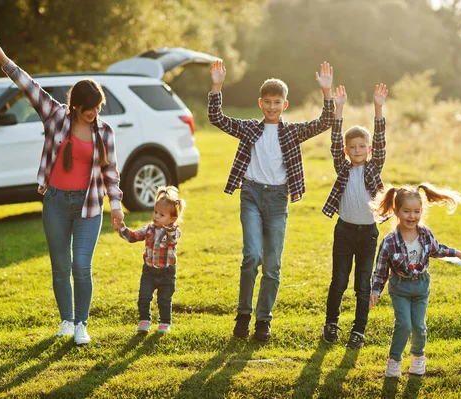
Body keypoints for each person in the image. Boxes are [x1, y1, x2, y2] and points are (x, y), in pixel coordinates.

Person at [0, 34, 124, 345]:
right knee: (60, 265)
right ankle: (66, 320)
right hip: (57, 202)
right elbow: (29, 87)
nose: (95, 112)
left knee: (80, 265)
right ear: (77, 104)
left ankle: (82, 325)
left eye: (98, 107)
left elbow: (110, 172)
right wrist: (5, 60)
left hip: (89, 206)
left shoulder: (106, 132)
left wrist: (116, 207)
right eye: (90, 107)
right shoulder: (57, 115)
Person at [208, 60, 335, 341]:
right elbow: (218, 118)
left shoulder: (291, 132)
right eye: (267, 102)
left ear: (285, 105)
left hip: (278, 199)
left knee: (273, 263)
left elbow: (325, 122)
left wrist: (326, 92)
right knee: (251, 256)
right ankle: (243, 315)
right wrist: (217, 85)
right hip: (251, 194)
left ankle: (263, 321)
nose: (272, 107)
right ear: (260, 103)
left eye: (277, 102)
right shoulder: (250, 128)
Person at [369, 183, 461, 377]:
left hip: (421, 286)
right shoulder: (390, 241)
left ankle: (418, 358)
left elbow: (437, 249)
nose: (412, 216)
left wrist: (459, 254)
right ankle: (394, 360)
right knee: (404, 324)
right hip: (399, 287)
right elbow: (381, 270)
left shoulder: (424, 233)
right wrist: (375, 291)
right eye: (407, 211)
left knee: (418, 325)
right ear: (397, 211)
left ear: (421, 211)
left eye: (416, 211)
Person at [321, 83, 388, 349]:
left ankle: (358, 330)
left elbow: (381, 141)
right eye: (353, 147)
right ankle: (331, 324)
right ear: (347, 151)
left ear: (369, 149)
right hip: (345, 231)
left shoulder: (374, 168)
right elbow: (335, 140)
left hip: (368, 234)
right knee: (339, 280)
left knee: (363, 284)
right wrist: (339, 108)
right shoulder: (342, 168)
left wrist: (378, 107)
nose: (357, 150)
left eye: (362, 146)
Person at [117, 186, 185, 334]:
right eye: (155, 212)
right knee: (144, 296)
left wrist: (170, 228)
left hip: (167, 273)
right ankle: (144, 320)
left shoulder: (175, 232)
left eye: (161, 215)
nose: (156, 216)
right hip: (148, 271)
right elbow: (133, 236)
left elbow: (172, 241)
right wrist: (121, 228)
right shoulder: (149, 229)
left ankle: (165, 323)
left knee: (164, 300)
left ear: (172, 219)